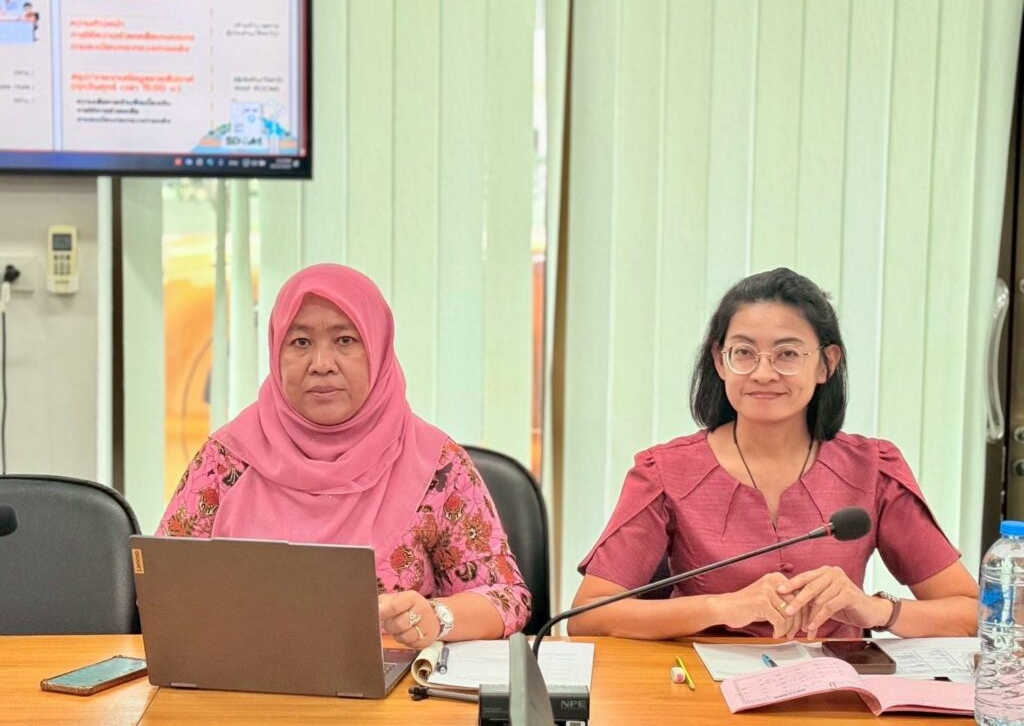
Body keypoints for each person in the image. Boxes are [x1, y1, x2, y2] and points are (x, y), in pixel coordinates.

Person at [570, 267, 978, 640]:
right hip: (703, 687)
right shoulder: (665, 472)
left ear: (826, 364)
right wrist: (722, 607)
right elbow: (588, 616)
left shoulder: (872, 469)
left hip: (836, 689)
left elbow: (972, 614)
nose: (763, 373)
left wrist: (873, 609)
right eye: (744, 353)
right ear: (720, 362)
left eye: (787, 354)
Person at [157, 264, 532, 648]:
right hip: (243, 678)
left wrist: (437, 617)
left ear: (378, 349)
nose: (321, 363)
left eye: (345, 340)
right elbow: (161, 586)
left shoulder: (437, 466)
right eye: (300, 342)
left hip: (392, 682)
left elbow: (506, 597)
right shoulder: (226, 460)